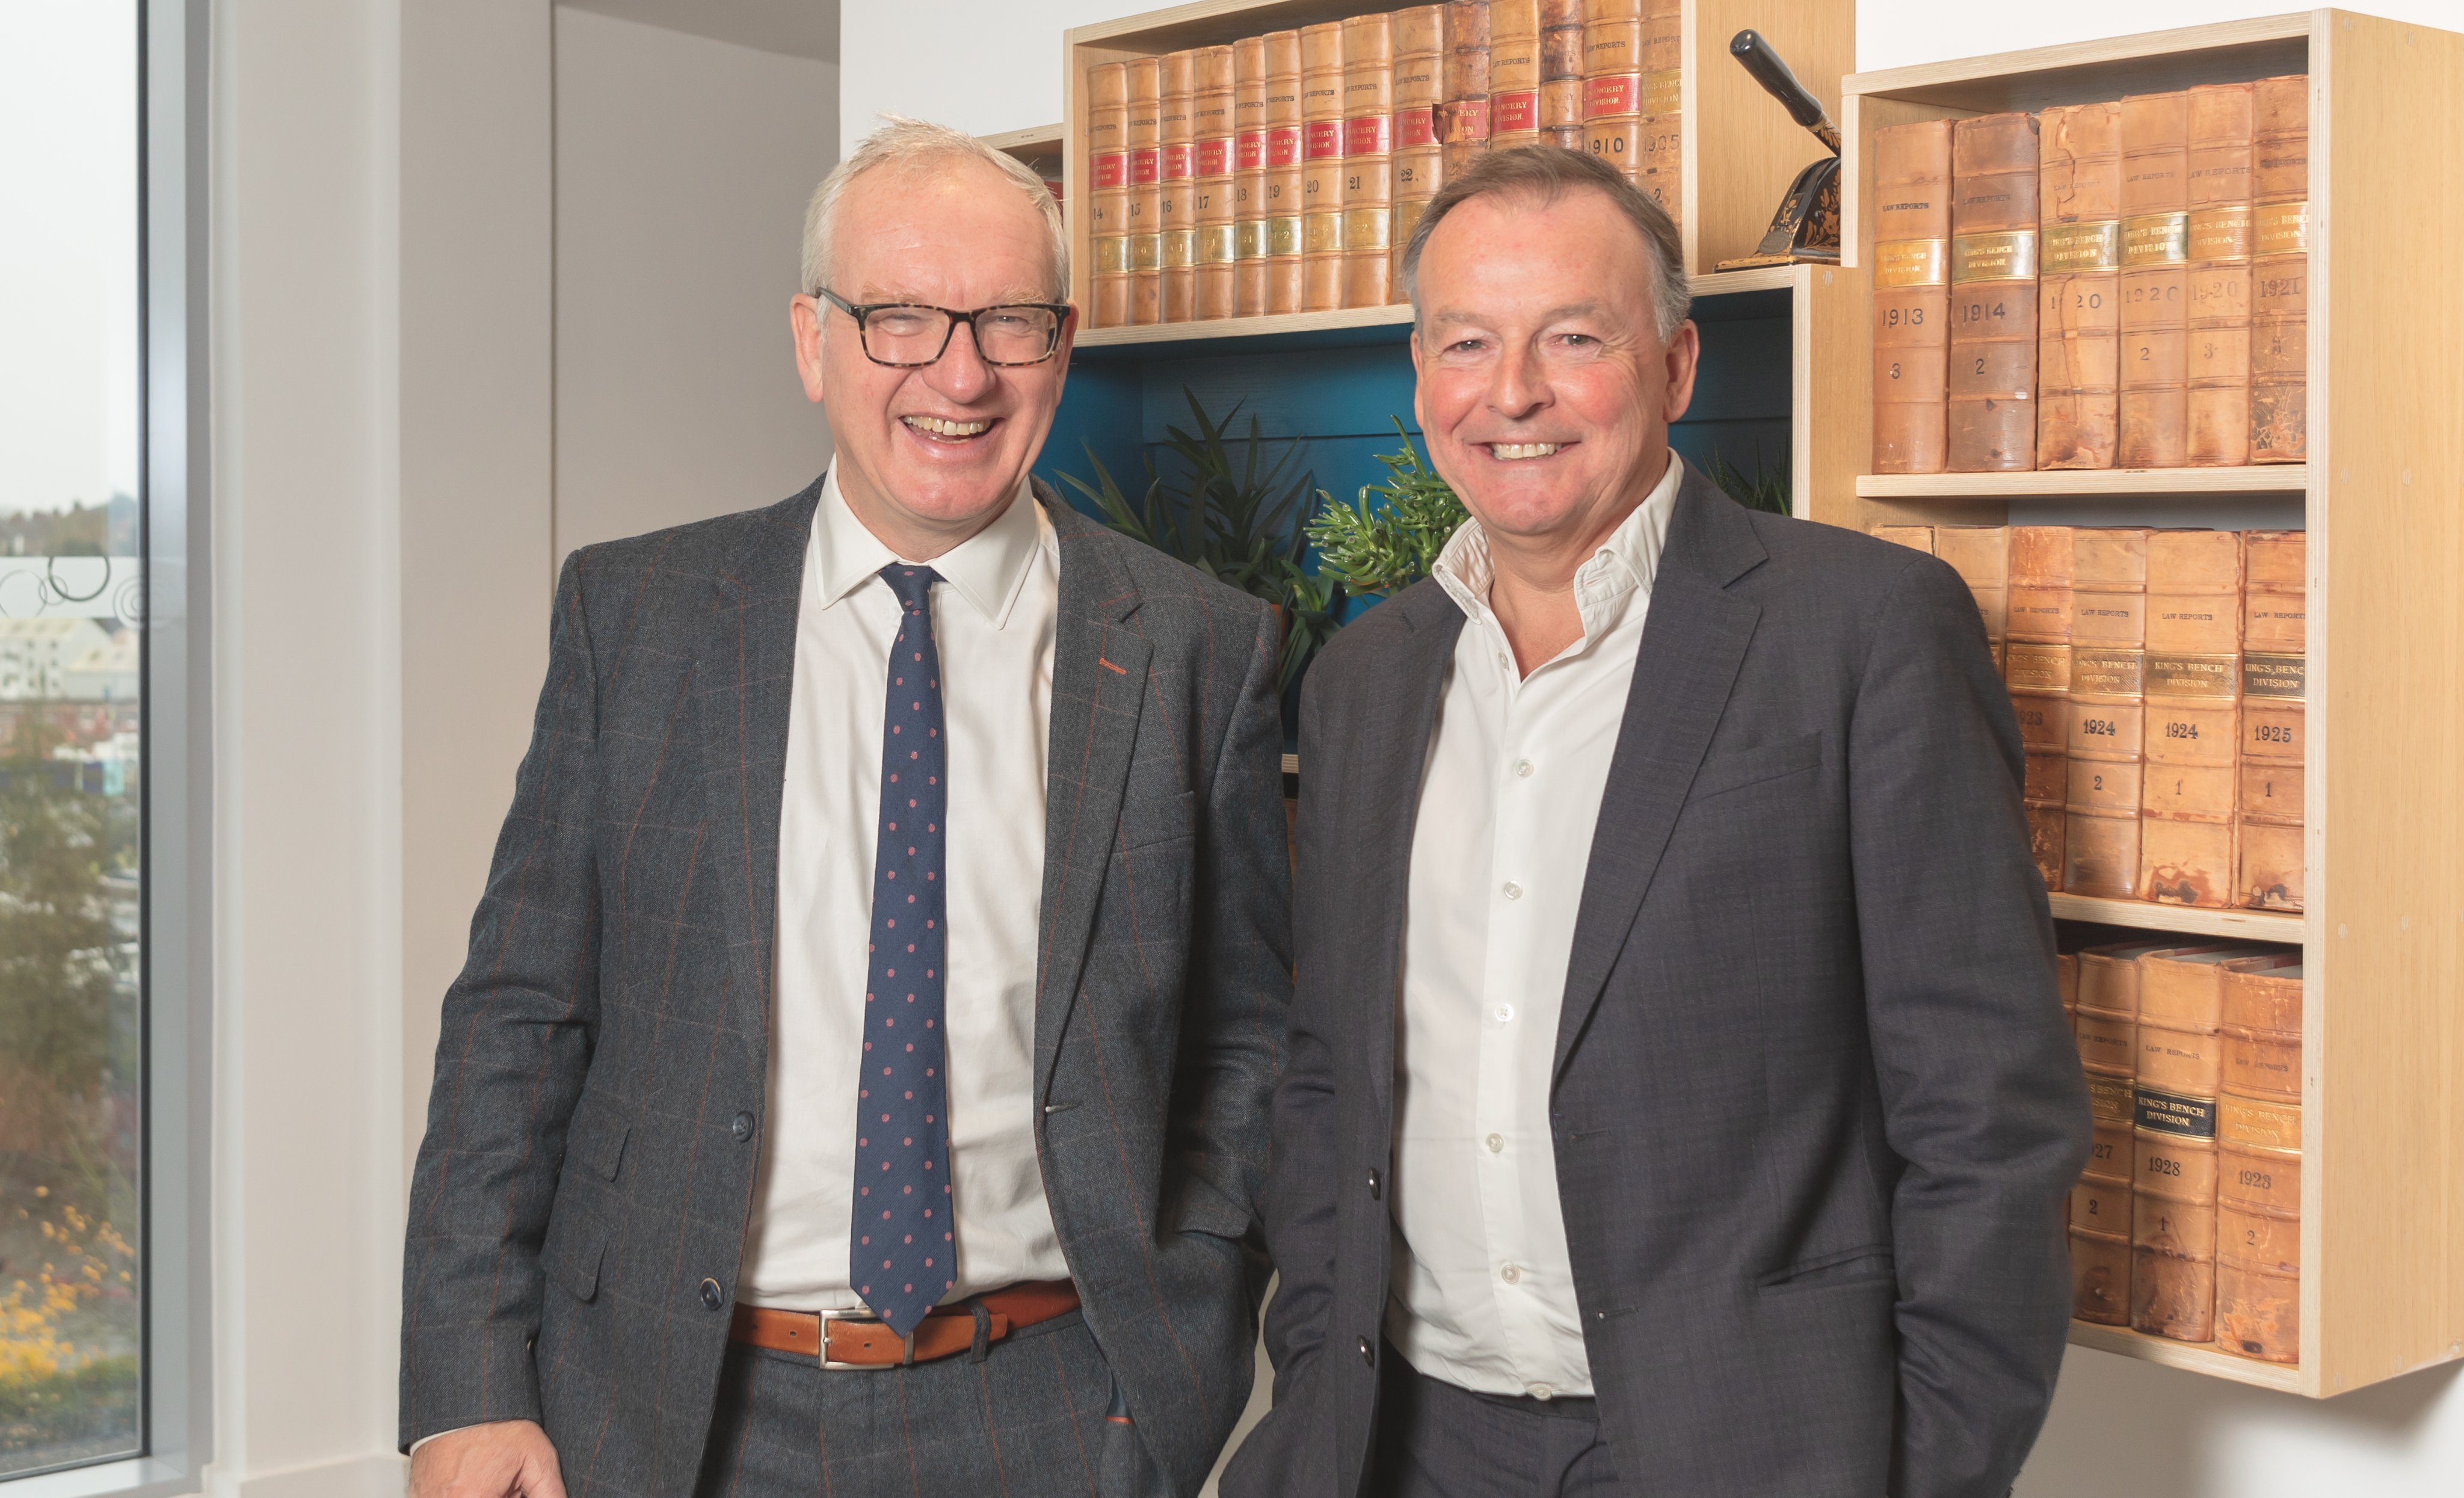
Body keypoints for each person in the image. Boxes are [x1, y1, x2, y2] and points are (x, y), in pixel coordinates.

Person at [399, 119, 1290, 1498]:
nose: (959, 373)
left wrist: (1178, 1366)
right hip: (671, 1413)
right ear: (812, 341)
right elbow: (518, 1018)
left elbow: (1244, 1040)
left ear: (1061, 346)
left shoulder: (1197, 647)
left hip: (1059, 1412)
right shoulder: (635, 619)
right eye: (898, 318)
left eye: (1008, 322)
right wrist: (467, 1391)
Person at [1222, 144, 2089, 1498]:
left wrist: (1928, 1472)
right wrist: (1309, 1392)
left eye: (1573, 337)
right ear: (1420, 373)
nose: (1512, 391)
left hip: (1746, 1449)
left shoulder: (1860, 634)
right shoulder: (1363, 681)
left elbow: (1988, 1114)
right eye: (1466, 342)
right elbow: (1330, 1074)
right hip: (1404, 1445)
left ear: (1676, 367)